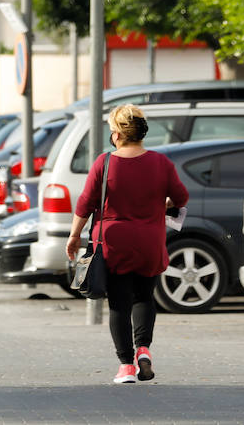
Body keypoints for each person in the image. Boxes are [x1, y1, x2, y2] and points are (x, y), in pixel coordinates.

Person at [65, 104, 188, 385]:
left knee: (119, 303)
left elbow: (85, 204)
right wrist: (163, 205)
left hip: (114, 243)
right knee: (145, 296)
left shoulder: (105, 163)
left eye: (112, 131)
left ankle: (126, 366)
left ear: (118, 135)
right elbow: (180, 197)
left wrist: (74, 236)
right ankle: (143, 349)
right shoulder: (161, 163)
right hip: (150, 242)